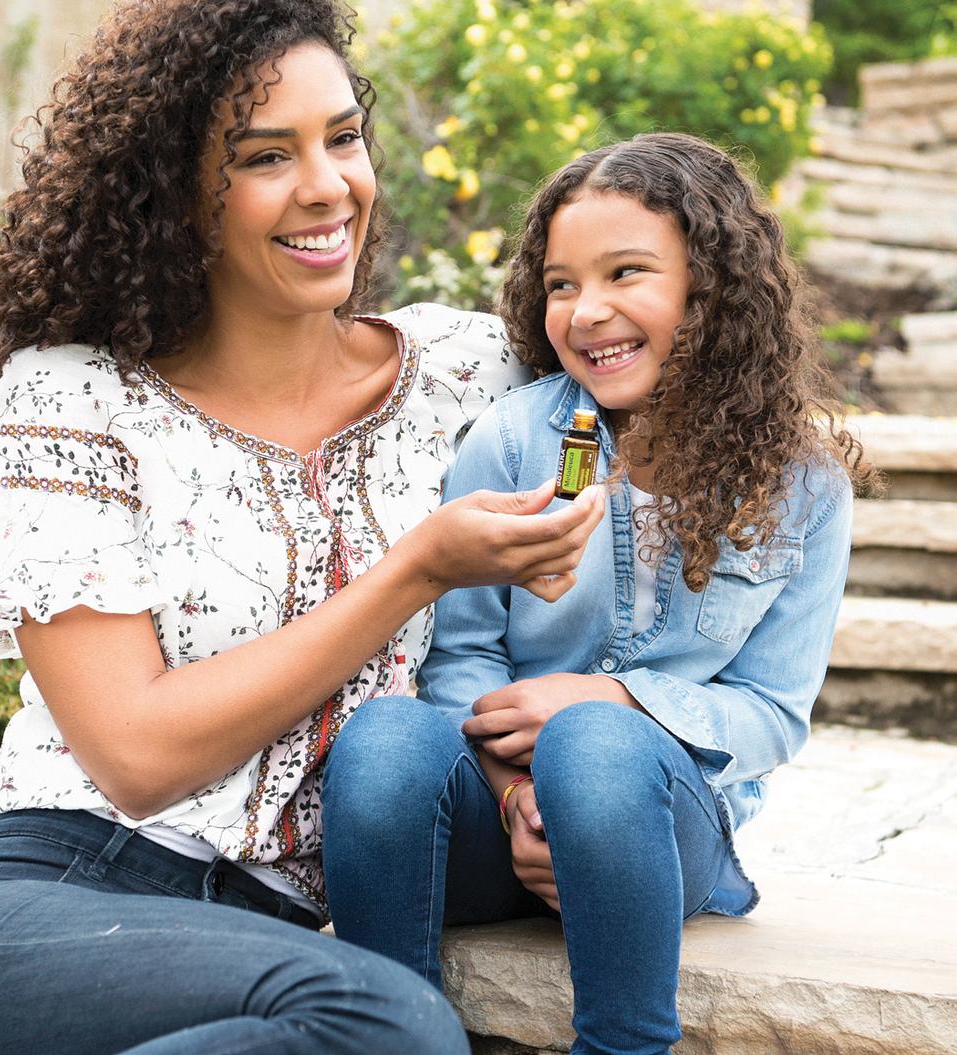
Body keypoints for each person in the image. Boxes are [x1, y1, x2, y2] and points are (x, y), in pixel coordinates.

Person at [0, 2, 607, 1052]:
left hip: (260, 939)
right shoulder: (74, 400)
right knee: (383, 1020)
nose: (327, 185)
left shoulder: (467, 378)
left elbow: (679, 421)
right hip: (46, 891)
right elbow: (137, 754)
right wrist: (414, 569)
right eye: (264, 156)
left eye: (343, 136)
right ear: (172, 196)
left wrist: (571, 741)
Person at [321, 133, 875, 1055]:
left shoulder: (804, 486)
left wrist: (612, 698)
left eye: (627, 273)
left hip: (657, 831)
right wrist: (510, 798)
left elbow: (772, 714)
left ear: (712, 286)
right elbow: (462, 657)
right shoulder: (514, 442)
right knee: (382, 737)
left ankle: (624, 1044)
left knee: (597, 744)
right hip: (499, 820)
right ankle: (390, 1034)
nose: (588, 311)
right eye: (562, 283)